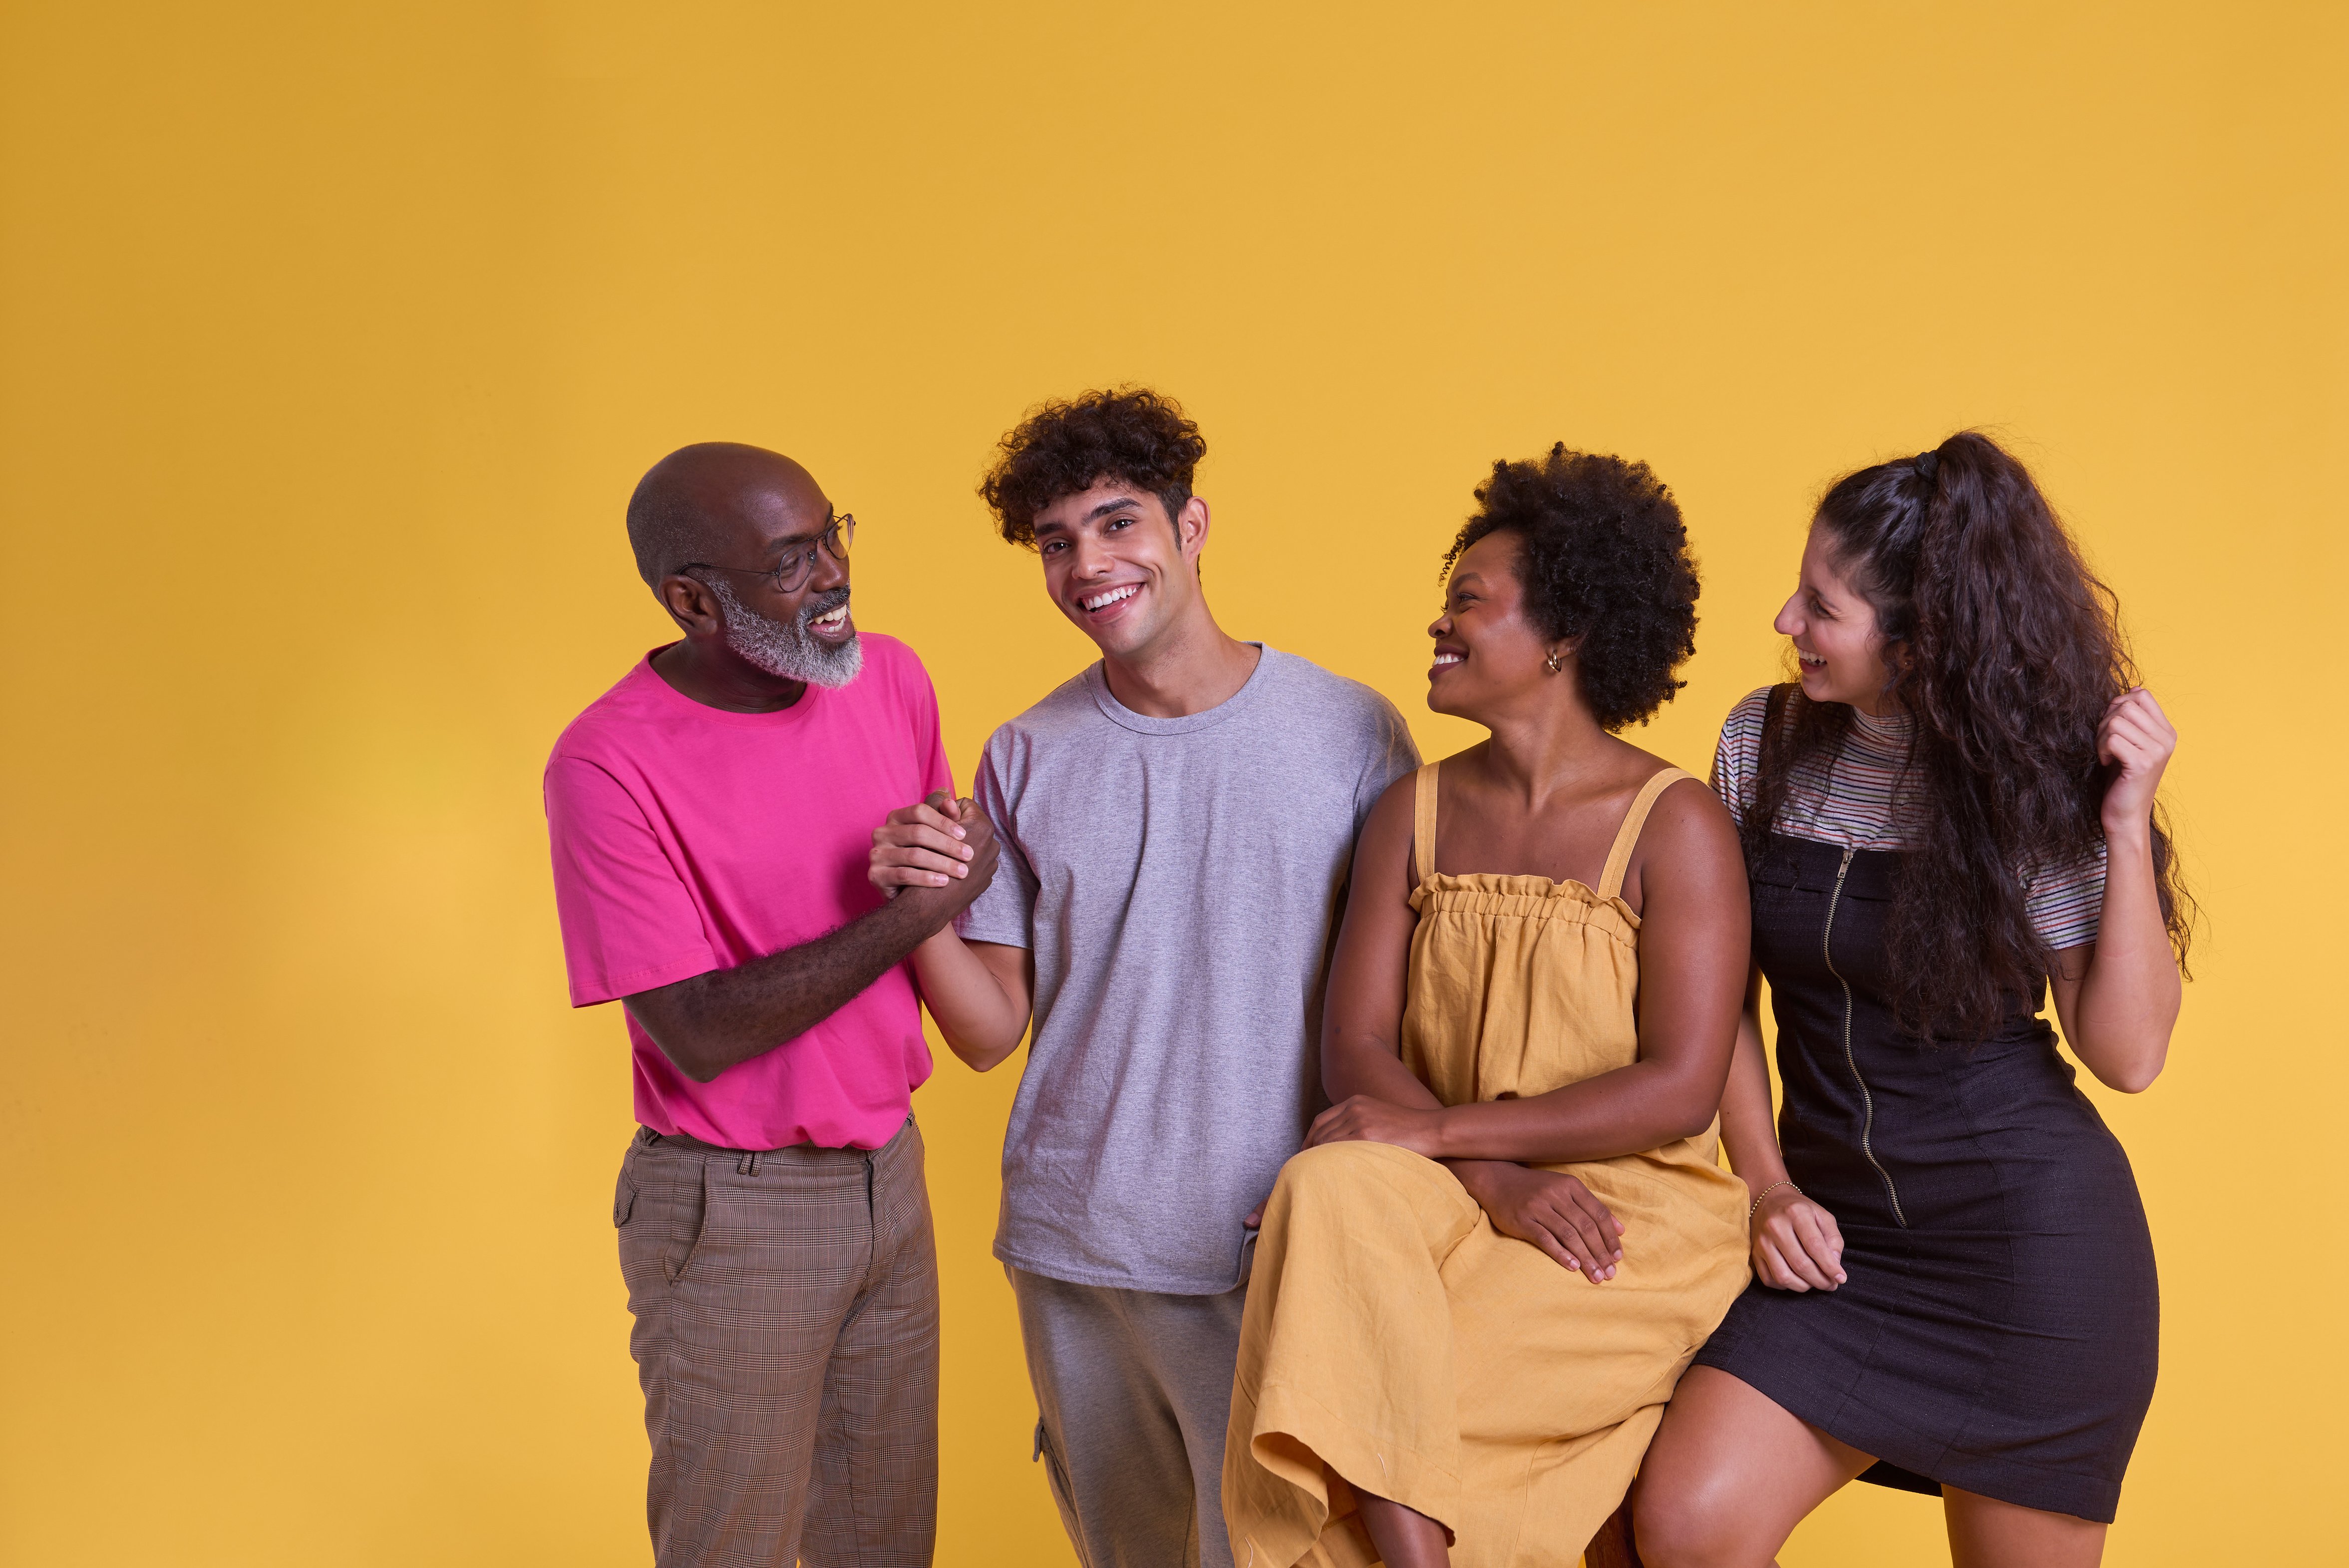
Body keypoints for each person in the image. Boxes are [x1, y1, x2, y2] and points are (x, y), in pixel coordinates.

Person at [866, 387, 1418, 1568]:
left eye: (1117, 525)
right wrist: (912, 906)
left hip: (1265, 1242)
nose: (1088, 566)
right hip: (1073, 1246)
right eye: (1056, 544)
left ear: (1191, 526)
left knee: (1277, 1551)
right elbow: (985, 1031)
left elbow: (1407, 1009)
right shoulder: (1025, 751)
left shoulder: (1350, 732)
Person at [1634, 432, 2189, 1568]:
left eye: (1821, 606)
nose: (1787, 621)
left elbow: (2125, 1052)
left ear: (1920, 640)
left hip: (2031, 1260)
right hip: (1842, 1250)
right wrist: (1767, 1185)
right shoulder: (1766, 739)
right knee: (1681, 1525)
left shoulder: (2025, 785)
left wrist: (2124, 825)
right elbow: (1715, 1002)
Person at [1220, 446, 1754, 1568]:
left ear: (1561, 634)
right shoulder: (1409, 810)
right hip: (1454, 1185)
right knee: (1328, 1180)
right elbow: (1354, 1046)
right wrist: (1486, 1174)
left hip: (1630, 1218)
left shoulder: (1674, 823)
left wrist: (1445, 1136)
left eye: (1468, 600)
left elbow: (1680, 1086)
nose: (1438, 625)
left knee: (1348, 1372)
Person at [543, 442, 998, 1568]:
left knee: (883, 1542)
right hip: (734, 1206)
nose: (837, 574)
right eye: (793, 563)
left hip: (890, 1176)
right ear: (693, 597)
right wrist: (921, 906)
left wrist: (955, 862)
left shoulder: (891, 679)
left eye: (834, 534)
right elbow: (697, 1031)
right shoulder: (605, 764)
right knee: (729, 1547)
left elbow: (936, 876)